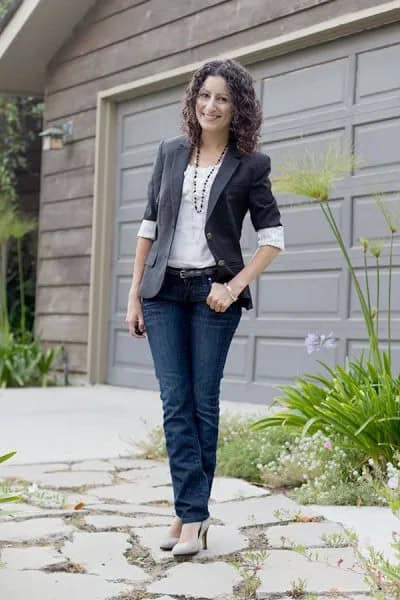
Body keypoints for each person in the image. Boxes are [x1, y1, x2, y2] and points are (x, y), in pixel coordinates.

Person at [125, 58, 285, 558]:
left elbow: (273, 238)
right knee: (175, 404)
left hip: (213, 297)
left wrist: (233, 286)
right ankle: (191, 513)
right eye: (204, 96)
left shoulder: (250, 164)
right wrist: (135, 291)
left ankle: (188, 515)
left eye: (222, 98)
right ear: (193, 102)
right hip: (163, 294)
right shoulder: (169, 152)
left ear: (237, 107)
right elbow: (149, 225)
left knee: (202, 404)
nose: (211, 106)